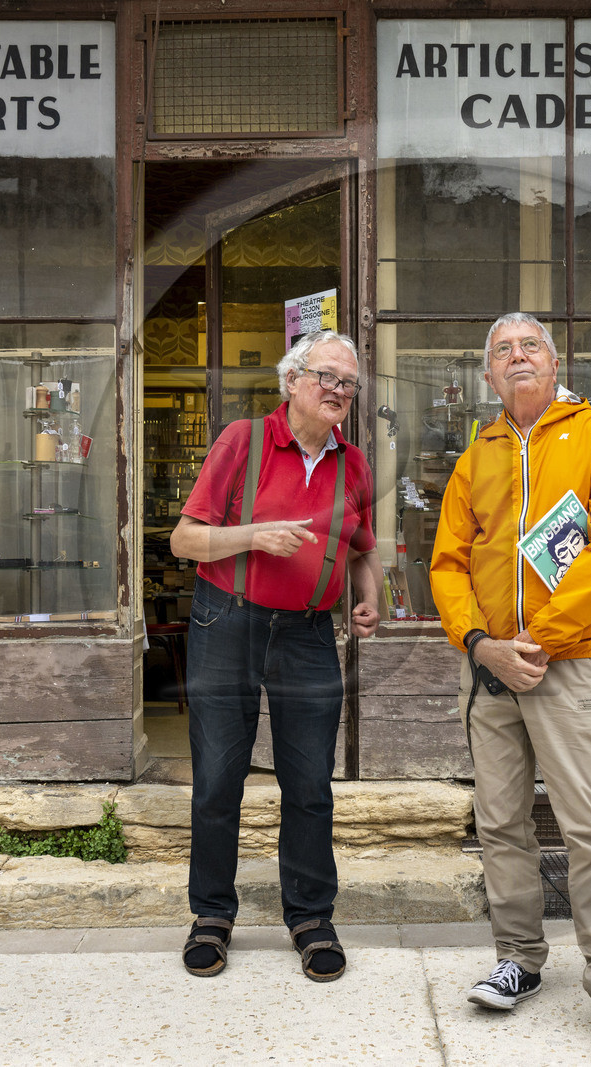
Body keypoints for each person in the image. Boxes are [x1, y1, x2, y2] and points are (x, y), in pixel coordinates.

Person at [430, 313, 591, 1058]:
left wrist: (539, 640)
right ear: (489, 374)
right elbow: (448, 562)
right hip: (491, 668)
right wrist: (481, 644)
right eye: (502, 351)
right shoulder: (477, 455)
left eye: (530, 346)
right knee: (500, 823)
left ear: (555, 363)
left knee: (590, 825)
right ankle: (519, 958)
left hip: (570, 661)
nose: (516, 357)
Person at [169, 329, 381, 984]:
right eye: (326, 376)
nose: (338, 390)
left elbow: (362, 547)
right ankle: (211, 914)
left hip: (309, 633)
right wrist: (253, 536)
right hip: (227, 622)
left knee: (311, 782)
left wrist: (369, 598)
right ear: (292, 381)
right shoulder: (244, 441)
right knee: (219, 777)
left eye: (348, 383)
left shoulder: (353, 464)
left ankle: (311, 917)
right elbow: (184, 540)